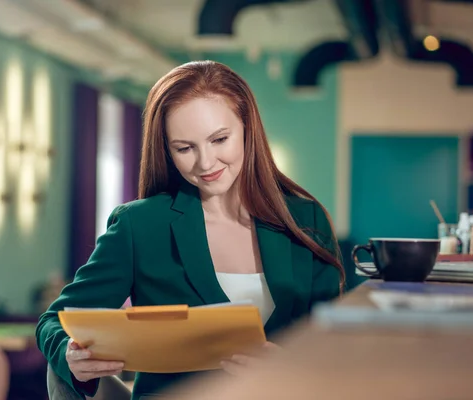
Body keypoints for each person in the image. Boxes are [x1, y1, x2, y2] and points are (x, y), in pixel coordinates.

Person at [36, 60, 346, 400]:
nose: (205, 163)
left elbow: (334, 347)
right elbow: (54, 320)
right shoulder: (139, 226)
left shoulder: (306, 221)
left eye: (220, 139)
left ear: (248, 128)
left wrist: (291, 368)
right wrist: (69, 353)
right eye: (184, 148)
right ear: (166, 150)